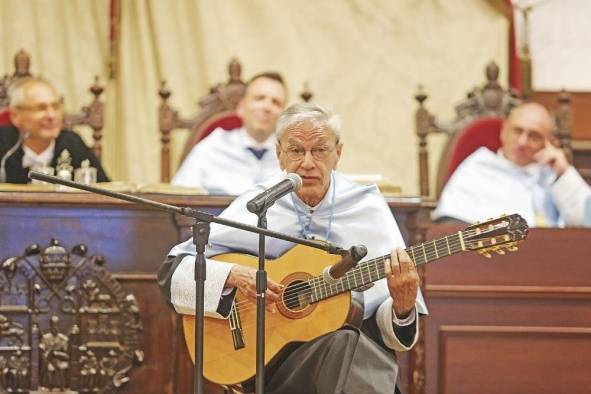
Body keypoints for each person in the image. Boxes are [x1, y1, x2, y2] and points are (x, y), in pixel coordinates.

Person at [159, 103, 427, 394]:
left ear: (339, 153)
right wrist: (231, 275)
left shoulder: (366, 207)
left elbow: (385, 327)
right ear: (279, 155)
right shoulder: (259, 203)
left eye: (320, 150)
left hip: (352, 353)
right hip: (273, 362)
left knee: (348, 343)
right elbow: (173, 272)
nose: (308, 163)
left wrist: (402, 307)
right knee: (350, 350)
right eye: (297, 151)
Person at [434, 102, 590, 227]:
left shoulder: (553, 175)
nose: (522, 142)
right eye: (517, 131)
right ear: (504, 132)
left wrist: (564, 172)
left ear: (547, 142)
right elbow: (449, 224)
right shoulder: (478, 168)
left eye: (533, 136)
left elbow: (585, 222)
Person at [171, 72, 287, 194]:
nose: (267, 107)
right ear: (241, 107)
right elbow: (178, 199)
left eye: (276, 102)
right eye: (259, 98)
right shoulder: (212, 147)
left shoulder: (292, 155)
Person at [0, 77, 109, 184]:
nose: (52, 116)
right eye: (40, 108)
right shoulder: (4, 144)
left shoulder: (72, 142)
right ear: (15, 116)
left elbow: (106, 193)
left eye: (56, 107)